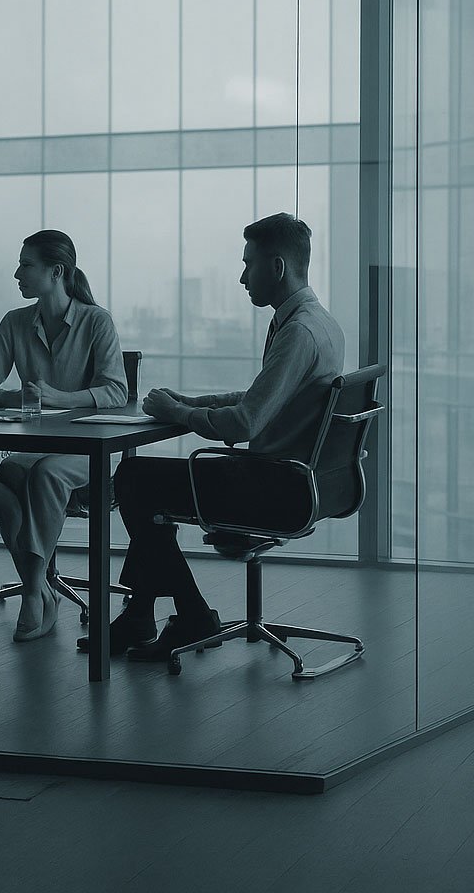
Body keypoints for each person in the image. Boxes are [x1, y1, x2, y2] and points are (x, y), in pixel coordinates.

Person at [76, 213, 344, 662]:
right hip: (298, 478)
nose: (241, 277)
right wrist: (191, 401)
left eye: (248, 264)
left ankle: (190, 612)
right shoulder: (318, 321)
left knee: (135, 480)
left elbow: (244, 424)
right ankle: (143, 612)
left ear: (277, 267)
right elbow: (263, 397)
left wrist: (179, 412)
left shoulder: (297, 331)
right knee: (142, 480)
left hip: (273, 485)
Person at [0, 230, 127, 642]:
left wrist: (62, 397)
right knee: (2, 482)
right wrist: (16, 395)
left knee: (46, 476)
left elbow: (117, 390)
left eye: (26, 265)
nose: (16, 273)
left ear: (56, 272)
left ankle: (34, 593)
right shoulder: (15, 322)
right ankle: (39, 586)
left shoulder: (97, 322)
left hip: (86, 457)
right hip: (33, 450)